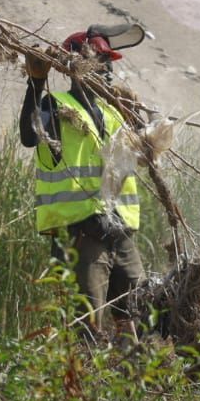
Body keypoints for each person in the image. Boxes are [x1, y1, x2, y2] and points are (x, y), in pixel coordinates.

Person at [20, 26, 145, 338]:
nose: (108, 70)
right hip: (81, 234)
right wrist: (35, 82)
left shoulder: (112, 112)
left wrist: (143, 123)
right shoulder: (56, 105)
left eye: (109, 64)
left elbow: (139, 153)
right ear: (78, 65)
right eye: (102, 61)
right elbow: (29, 135)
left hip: (119, 230)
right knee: (87, 325)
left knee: (137, 315)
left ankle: (132, 376)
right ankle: (88, 381)